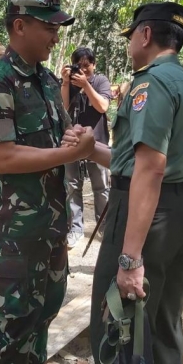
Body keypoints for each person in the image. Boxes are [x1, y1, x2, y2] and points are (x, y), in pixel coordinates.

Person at [0, 0, 95, 364]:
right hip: (16, 234)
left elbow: (65, 131)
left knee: (44, 315)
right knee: (14, 329)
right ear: (20, 27)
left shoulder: (45, 79)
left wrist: (75, 137)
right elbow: (4, 158)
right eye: (49, 27)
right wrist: (71, 152)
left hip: (51, 225)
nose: (56, 36)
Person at [75, 2, 183, 364]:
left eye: (131, 36)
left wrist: (130, 260)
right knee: (163, 322)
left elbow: (149, 169)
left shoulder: (152, 83)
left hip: (145, 213)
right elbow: (135, 159)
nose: (129, 44)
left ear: (145, 34)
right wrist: (90, 149)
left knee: (122, 329)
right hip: (179, 212)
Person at [60, 47, 112, 248]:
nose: (83, 70)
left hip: (97, 144)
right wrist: (66, 82)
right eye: (78, 66)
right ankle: (75, 229)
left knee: (101, 188)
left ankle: (104, 228)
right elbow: (62, 108)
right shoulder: (70, 83)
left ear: (94, 65)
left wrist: (86, 85)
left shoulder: (100, 81)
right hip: (72, 143)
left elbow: (103, 106)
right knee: (72, 187)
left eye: (87, 65)